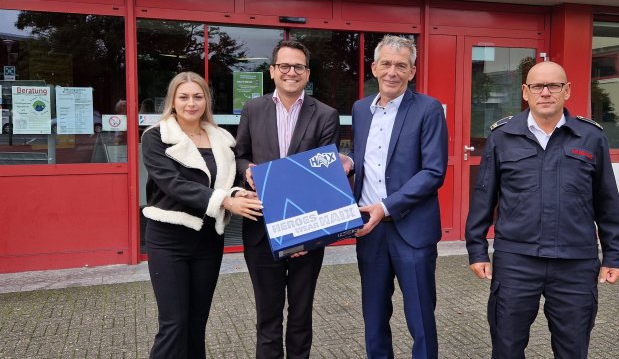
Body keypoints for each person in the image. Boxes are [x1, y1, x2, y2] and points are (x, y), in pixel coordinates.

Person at [465, 61, 619, 359]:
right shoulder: (502, 137)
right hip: (516, 261)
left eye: (554, 86)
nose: (546, 93)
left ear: (567, 91)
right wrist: (477, 250)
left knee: (572, 349)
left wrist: (614, 255)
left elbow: (607, 201)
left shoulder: (590, 137)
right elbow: (483, 199)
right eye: (538, 86)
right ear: (525, 92)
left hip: (575, 262)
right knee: (507, 346)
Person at [142, 71, 263, 359]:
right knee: (174, 324)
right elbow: (174, 185)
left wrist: (237, 194)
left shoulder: (222, 138)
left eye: (197, 97)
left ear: (206, 101)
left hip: (208, 240)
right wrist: (226, 201)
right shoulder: (156, 137)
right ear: (172, 101)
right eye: (183, 97)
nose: (191, 103)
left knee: (197, 323)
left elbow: (226, 182)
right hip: (169, 239)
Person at [234, 40, 341, 359]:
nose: (291, 72)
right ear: (272, 71)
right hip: (261, 232)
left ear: (307, 74)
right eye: (284, 66)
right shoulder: (253, 109)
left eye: (298, 66)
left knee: (300, 318)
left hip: (308, 232)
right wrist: (246, 171)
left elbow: (324, 178)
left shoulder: (325, 115)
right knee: (267, 320)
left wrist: (302, 236)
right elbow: (240, 154)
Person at [350, 35, 448, 359]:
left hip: (412, 230)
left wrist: (386, 206)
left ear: (412, 71)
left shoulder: (428, 109)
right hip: (371, 231)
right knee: (374, 315)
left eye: (401, 65)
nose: (393, 71)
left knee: (420, 318)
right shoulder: (361, 109)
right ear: (374, 67)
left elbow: (433, 172)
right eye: (387, 64)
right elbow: (364, 160)